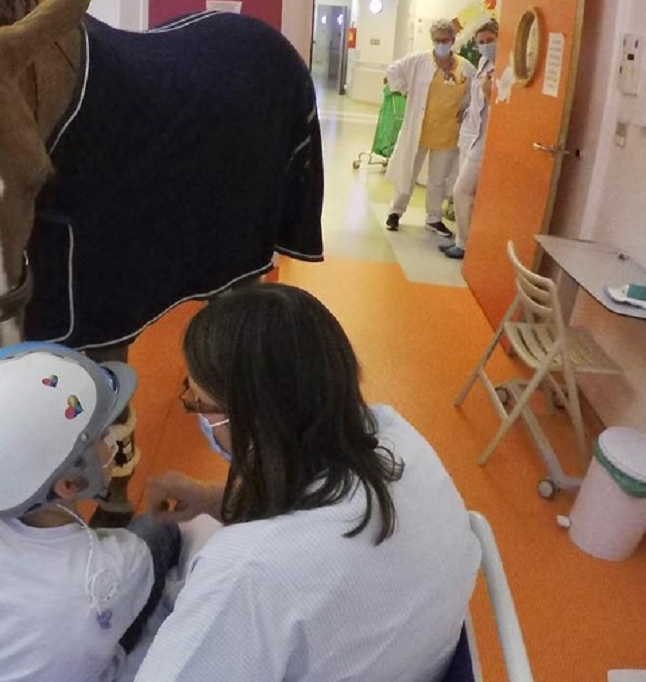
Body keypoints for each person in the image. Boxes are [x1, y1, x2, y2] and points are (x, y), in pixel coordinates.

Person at [135, 284, 481, 681]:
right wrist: (212, 497)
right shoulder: (399, 438)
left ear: (249, 418)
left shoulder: (245, 576)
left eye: (199, 404)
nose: (199, 418)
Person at [0, 342, 180, 682]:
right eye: (104, 435)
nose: (114, 440)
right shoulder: (121, 561)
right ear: (70, 484)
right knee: (158, 530)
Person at [385, 19, 477, 238]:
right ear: (432, 40)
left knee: (438, 179)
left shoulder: (466, 68)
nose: (441, 44)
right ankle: (396, 212)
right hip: (419, 128)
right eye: (437, 40)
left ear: (453, 40)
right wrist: (406, 90)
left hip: (447, 132)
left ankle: (433, 218)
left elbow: (474, 96)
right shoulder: (418, 61)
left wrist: (465, 110)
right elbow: (393, 71)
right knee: (408, 172)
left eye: (445, 40)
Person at [441, 20, 499, 260]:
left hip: (486, 139)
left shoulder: (505, 67)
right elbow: (474, 99)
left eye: (490, 41)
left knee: (461, 190)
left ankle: (465, 244)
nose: (485, 46)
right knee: (467, 193)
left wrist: (489, 90)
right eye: (481, 42)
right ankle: (465, 240)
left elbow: (499, 101)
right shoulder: (484, 63)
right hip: (472, 135)